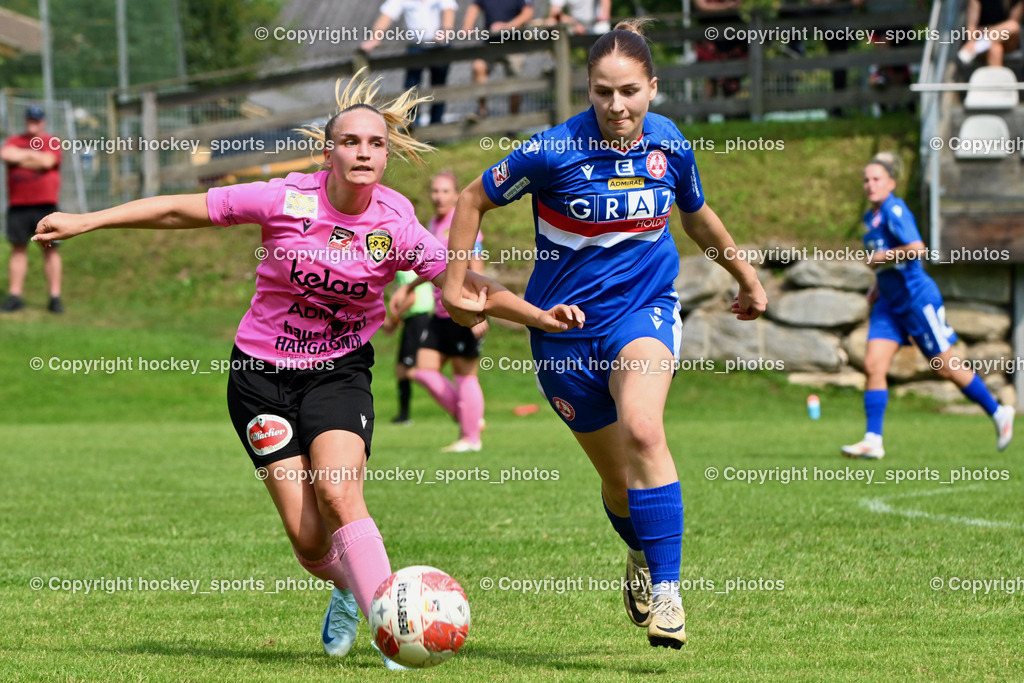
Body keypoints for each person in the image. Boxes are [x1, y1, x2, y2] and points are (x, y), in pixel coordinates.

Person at [31, 72, 582, 668]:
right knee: (310, 540)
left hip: (338, 373)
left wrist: (537, 317)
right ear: (330, 151)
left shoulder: (396, 225)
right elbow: (177, 210)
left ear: (387, 154)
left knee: (341, 493)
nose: (364, 152)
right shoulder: (285, 199)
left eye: (375, 143)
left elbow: (466, 285)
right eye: (350, 141)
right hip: (259, 377)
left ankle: (392, 636)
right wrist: (87, 221)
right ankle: (348, 588)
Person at [441, 19, 767, 649]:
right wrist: (456, 284)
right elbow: (472, 199)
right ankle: (641, 557)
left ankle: (668, 594)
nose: (616, 106)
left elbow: (695, 216)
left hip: (642, 313)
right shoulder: (554, 150)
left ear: (652, 87)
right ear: (587, 91)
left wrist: (745, 276)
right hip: (561, 333)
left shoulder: (669, 145)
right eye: (601, 93)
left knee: (645, 429)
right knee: (618, 482)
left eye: (629, 91)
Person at [842, 152, 1014, 460]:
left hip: (916, 300)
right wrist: (875, 285)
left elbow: (915, 249)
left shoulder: (895, 209)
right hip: (888, 304)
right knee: (873, 366)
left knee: (945, 366)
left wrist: (881, 259)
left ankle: (998, 412)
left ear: (891, 183)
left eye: (876, 179)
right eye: (865, 180)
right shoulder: (871, 217)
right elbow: (887, 263)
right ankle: (873, 439)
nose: (870, 185)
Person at [397, 171, 488, 452]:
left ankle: (470, 438)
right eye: (435, 191)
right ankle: (470, 419)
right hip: (439, 311)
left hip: (462, 310)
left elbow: (476, 268)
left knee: (465, 374)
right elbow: (432, 266)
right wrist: (410, 287)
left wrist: (477, 310)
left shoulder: (464, 224)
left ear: (457, 195)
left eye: (445, 191)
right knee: (423, 370)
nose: (439, 196)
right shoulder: (432, 225)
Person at [2, 105, 63, 313]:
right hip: (18, 206)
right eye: (30, 119)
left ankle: (55, 298)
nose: (33, 123)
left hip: (45, 205)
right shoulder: (13, 141)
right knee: (18, 249)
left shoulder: (51, 141)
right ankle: (15, 295)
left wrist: (23, 157)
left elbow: (48, 161)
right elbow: (7, 155)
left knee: (51, 250)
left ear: (43, 122)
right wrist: (34, 157)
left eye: (36, 120)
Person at [360, 0, 456, 125]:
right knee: (411, 88)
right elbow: (387, 15)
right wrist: (375, 38)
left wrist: (445, 31)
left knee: (439, 87)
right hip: (416, 47)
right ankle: (412, 127)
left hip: (440, 46)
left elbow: (449, 10)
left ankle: (436, 126)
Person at [461, 0, 535, 119]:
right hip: (491, 43)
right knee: (478, 66)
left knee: (515, 83)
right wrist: (467, 27)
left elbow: (528, 13)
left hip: (514, 45)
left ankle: (513, 122)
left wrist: (507, 26)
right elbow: (474, 8)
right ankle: (482, 111)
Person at [382, 268, 434, 423]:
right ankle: (403, 415)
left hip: (418, 320)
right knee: (401, 369)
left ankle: (456, 402)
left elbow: (411, 298)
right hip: (413, 320)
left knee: (409, 370)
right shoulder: (411, 268)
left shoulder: (405, 270)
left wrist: (395, 319)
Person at [958, 0, 1023, 67]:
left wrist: (987, 30)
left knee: (1013, 26)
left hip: (1008, 41)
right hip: (986, 43)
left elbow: (1012, 26)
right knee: (995, 49)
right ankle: (980, 45)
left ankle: (977, 46)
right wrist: (971, 41)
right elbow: (972, 26)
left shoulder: (1017, 2)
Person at [546, 0, 611, 35]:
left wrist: (604, 13)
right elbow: (554, 11)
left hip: (597, 27)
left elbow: (605, 11)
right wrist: (573, 23)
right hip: (575, 30)